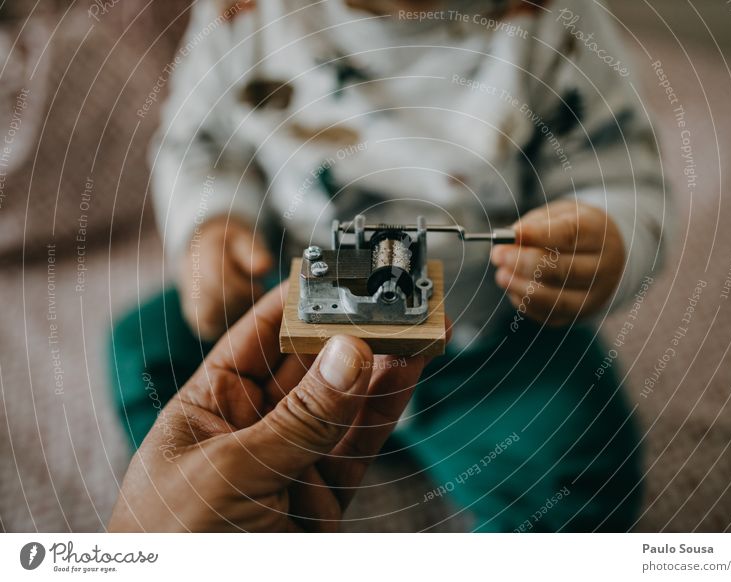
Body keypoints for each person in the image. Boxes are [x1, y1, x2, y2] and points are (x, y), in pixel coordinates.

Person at [110, 0, 671, 531]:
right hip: (292, 323)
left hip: (488, 342)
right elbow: (203, 143)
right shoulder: (243, 14)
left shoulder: (557, 20)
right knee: (145, 350)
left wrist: (607, 238)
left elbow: (617, 166)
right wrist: (212, 226)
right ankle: (232, 490)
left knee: (584, 460)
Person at [110, 284, 433, 531]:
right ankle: (189, 476)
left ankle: (210, 478)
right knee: (136, 336)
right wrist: (213, 227)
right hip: (277, 279)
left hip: (454, 376)